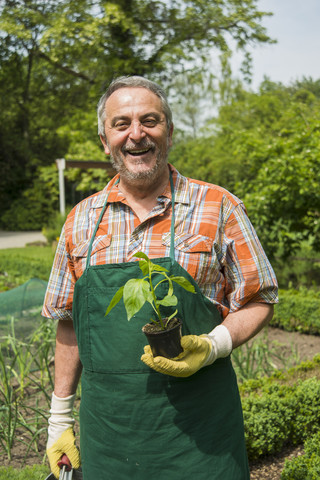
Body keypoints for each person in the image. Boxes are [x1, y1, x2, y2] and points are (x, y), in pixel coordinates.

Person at [42, 75, 278, 479]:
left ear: (169, 131)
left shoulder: (219, 206)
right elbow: (69, 320)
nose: (137, 134)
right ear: (105, 140)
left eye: (150, 120)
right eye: (122, 124)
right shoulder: (81, 220)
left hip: (202, 440)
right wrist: (59, 417)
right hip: (111, 437)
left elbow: (260, 297)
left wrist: (215, 343)